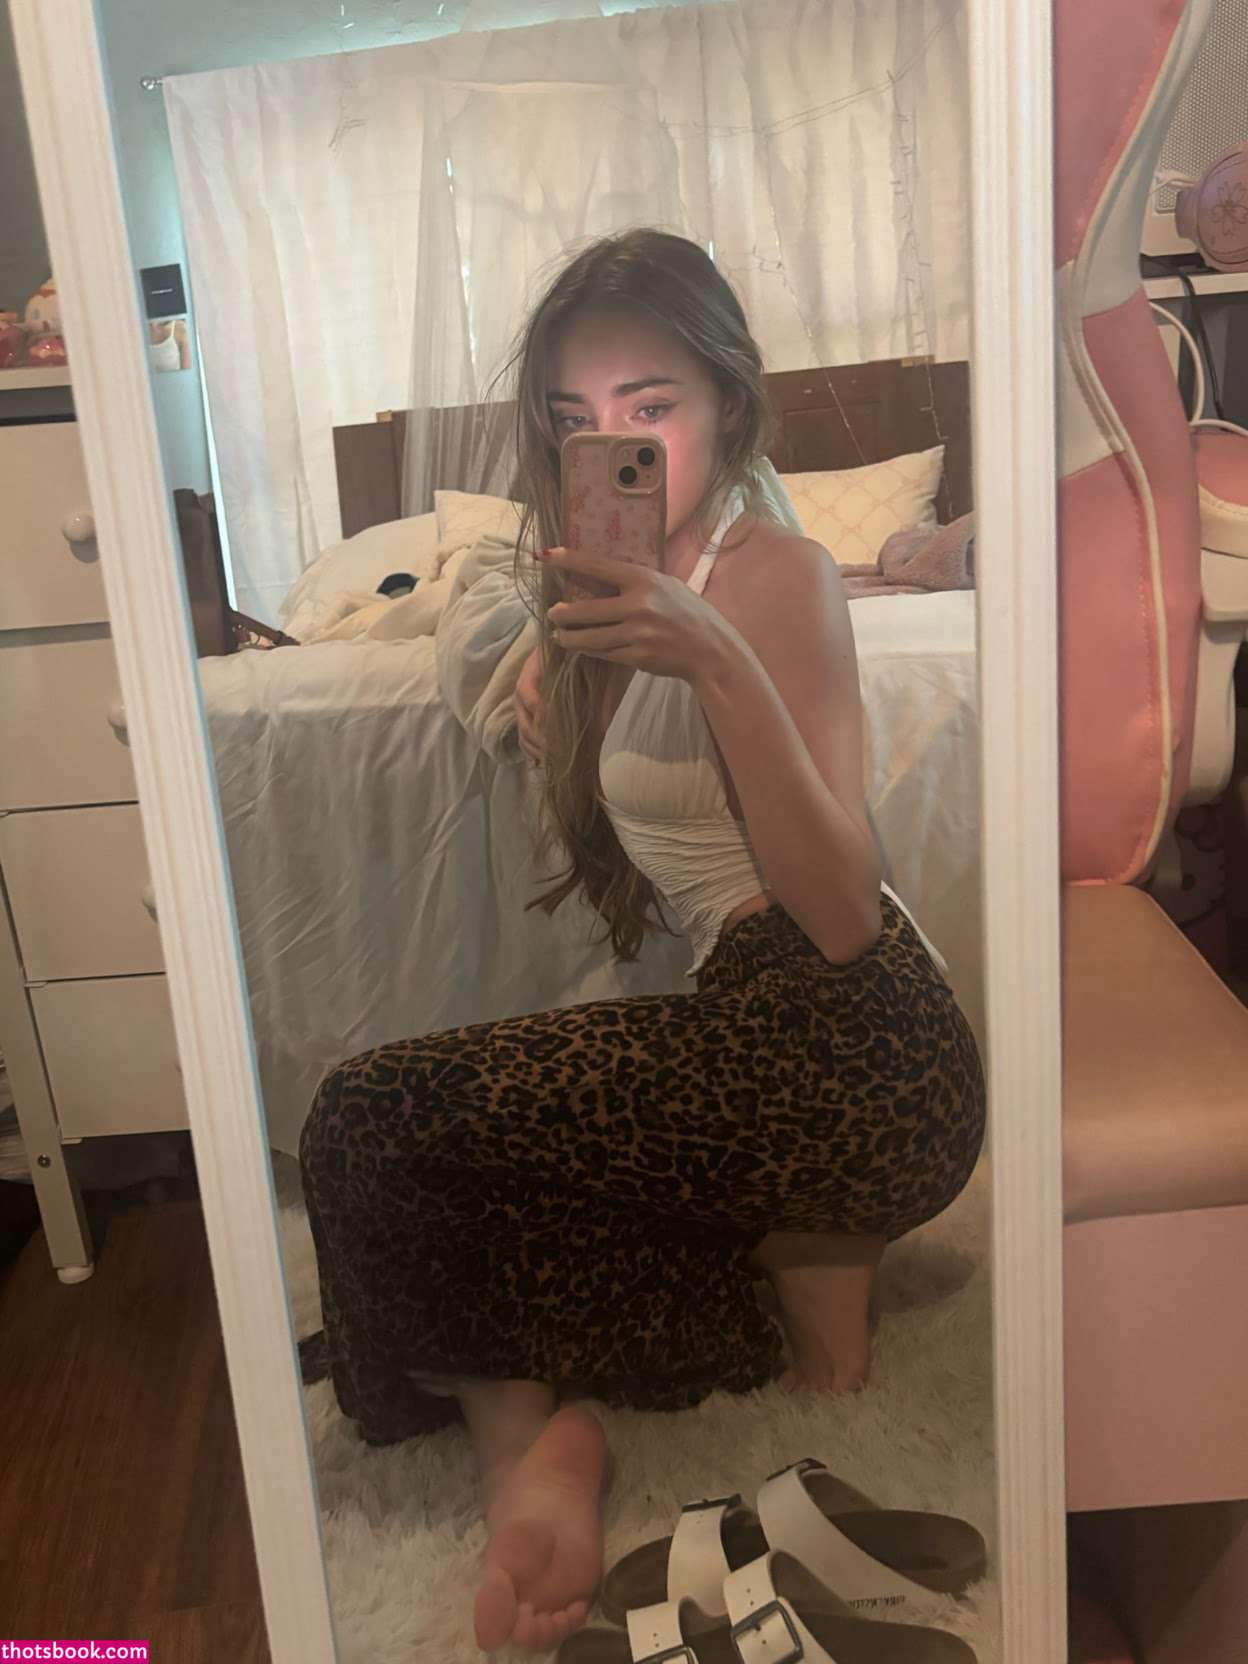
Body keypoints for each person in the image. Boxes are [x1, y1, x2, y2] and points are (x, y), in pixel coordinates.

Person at [299, 228, 986, 1655]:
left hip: (855, 1037)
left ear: (729, 402)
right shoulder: (587, 601)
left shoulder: (777, 574)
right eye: (575, 420)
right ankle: (577, 1429)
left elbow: (843, 913)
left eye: (650, 407)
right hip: (755, 1037)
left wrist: (716, 658)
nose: (612, 446)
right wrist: (555, 678)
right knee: (488, 1185)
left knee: (364, 1122)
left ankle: (518, 1438)